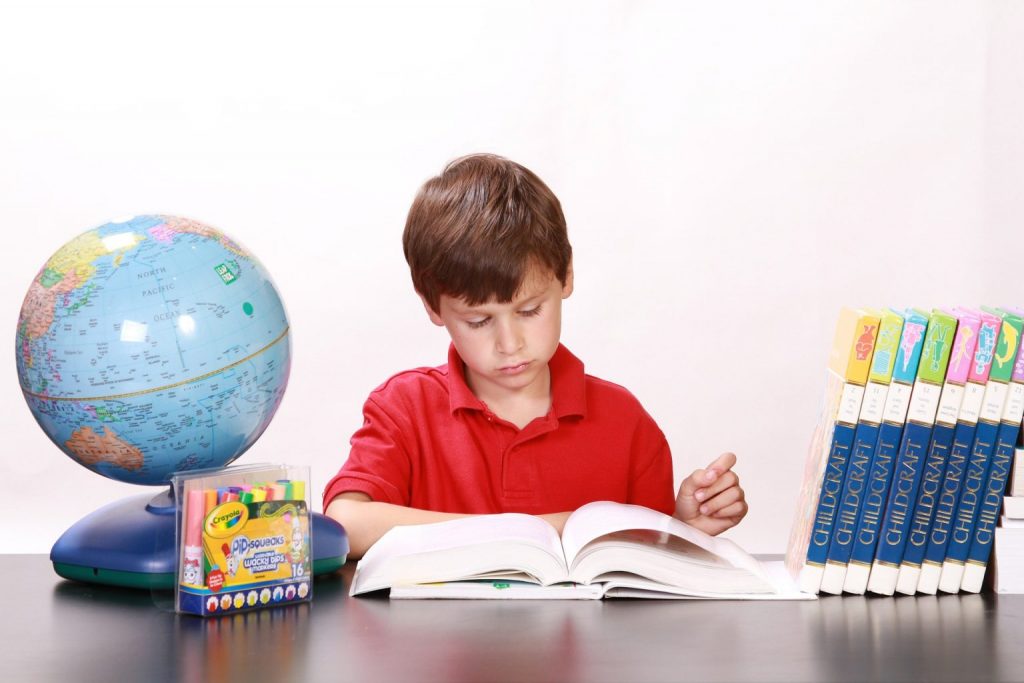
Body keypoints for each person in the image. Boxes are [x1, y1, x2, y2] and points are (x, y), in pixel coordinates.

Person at [324, 153, 747, 558]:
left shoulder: (626, 422)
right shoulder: (404, 408)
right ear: (433, 307)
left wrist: (683, 528)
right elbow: (346, 522)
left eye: (529, 311)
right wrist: (543, 528)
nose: (510, 344)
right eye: (478, 321)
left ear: (566, 276)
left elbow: (648, 561)